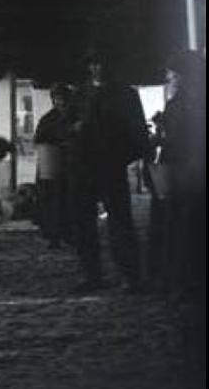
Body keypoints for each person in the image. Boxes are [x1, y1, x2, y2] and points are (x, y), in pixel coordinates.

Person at [68, 52, 148, 293]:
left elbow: (138, 131)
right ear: (89, 66)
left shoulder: (126, 95)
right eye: (94, 63)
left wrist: (123, 156)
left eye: (103, 63)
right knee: (83, 223)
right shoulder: (79, 95)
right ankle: (91, 275)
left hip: (111, 165)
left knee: (120, 222)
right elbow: (64, 126)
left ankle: (131, 276)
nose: (99, 68)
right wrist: (74, 131)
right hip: (83, 166)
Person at [151, 50, 205, 295]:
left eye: (173, 75)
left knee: (182, 227)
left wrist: (161, 135)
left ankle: (183, 280)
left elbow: (178, 138)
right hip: (192, 171)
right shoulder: (192, 100)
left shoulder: (182, 102)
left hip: (184, 173)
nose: (170, 79)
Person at [33, 83, 76, 249]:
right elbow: (39, 138)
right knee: (51, 200)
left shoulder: (75, 117)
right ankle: (53, 235)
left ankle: (68, 234)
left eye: (64, 98)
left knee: (69, 200)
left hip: (70, 166)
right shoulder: (48, 119)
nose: (61, 102)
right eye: (58, 98)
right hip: (51, 164)